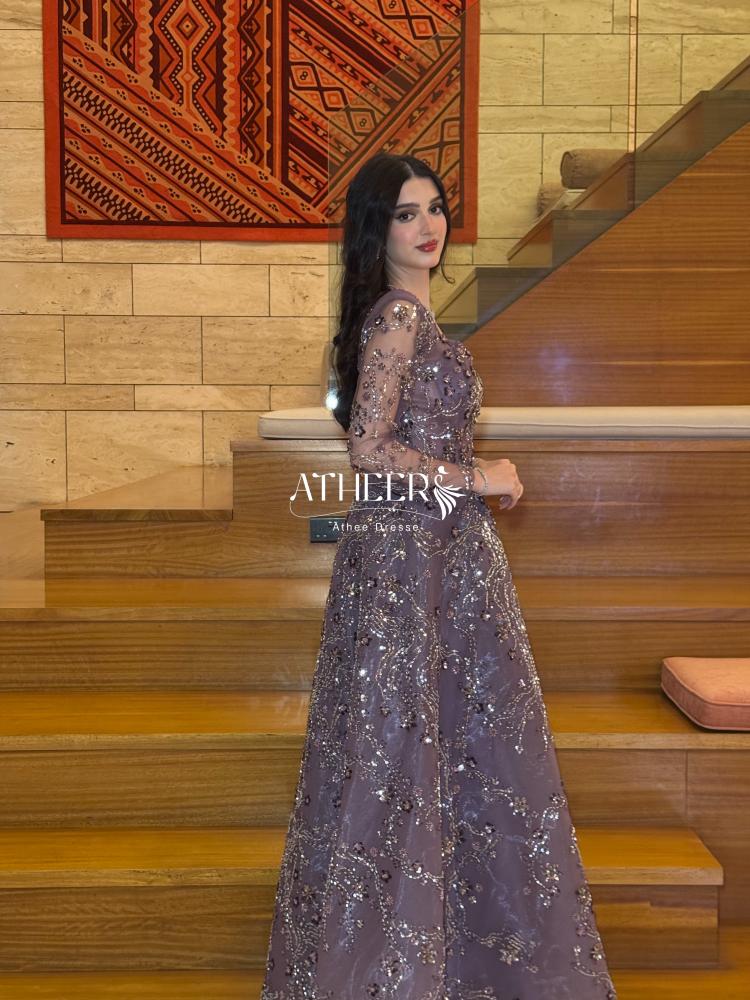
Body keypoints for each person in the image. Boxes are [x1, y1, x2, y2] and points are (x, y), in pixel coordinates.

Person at [260, 152, 617, 999]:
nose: (429, 226)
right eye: (406, 213)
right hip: (408, 561)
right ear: (376, 230)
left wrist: (470, 487)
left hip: (439, 559)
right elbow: (368, 449)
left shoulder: (416, 318)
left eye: (435, 208)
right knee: (406, 750)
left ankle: (442, 964)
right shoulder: (395, 317)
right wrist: (476, 477)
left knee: (448, 751)